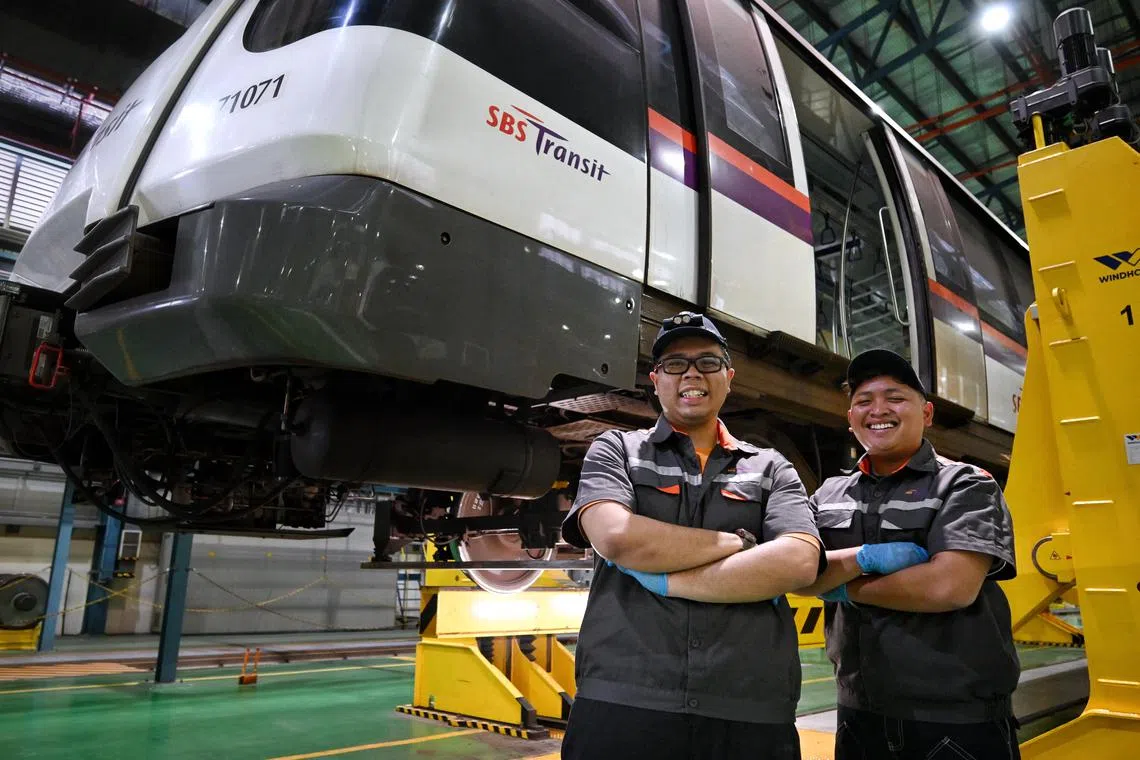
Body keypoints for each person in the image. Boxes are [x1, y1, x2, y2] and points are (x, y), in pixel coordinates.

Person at [558, 310, 824, 760]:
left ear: (729, 377)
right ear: (656, 379)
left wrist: (666, 576)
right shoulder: (615, 449)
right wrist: (739, 544)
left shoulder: (770, 467)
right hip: (623, 701)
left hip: (747, 705)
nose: (692, 374)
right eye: (676, 364)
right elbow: (618, 538)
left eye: (708, 362)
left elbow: (798, 562)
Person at [798, 348, 1021, 760]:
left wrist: (844, 586)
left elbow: (949, 587)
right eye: (863, 401)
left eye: (895, 397)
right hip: (859, 712)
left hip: (956, 720)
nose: (878, 409)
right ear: (851, 420)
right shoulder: (828, 495)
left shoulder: (966, 485)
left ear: (928, 413)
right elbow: (800, 572)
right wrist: (863, 559)